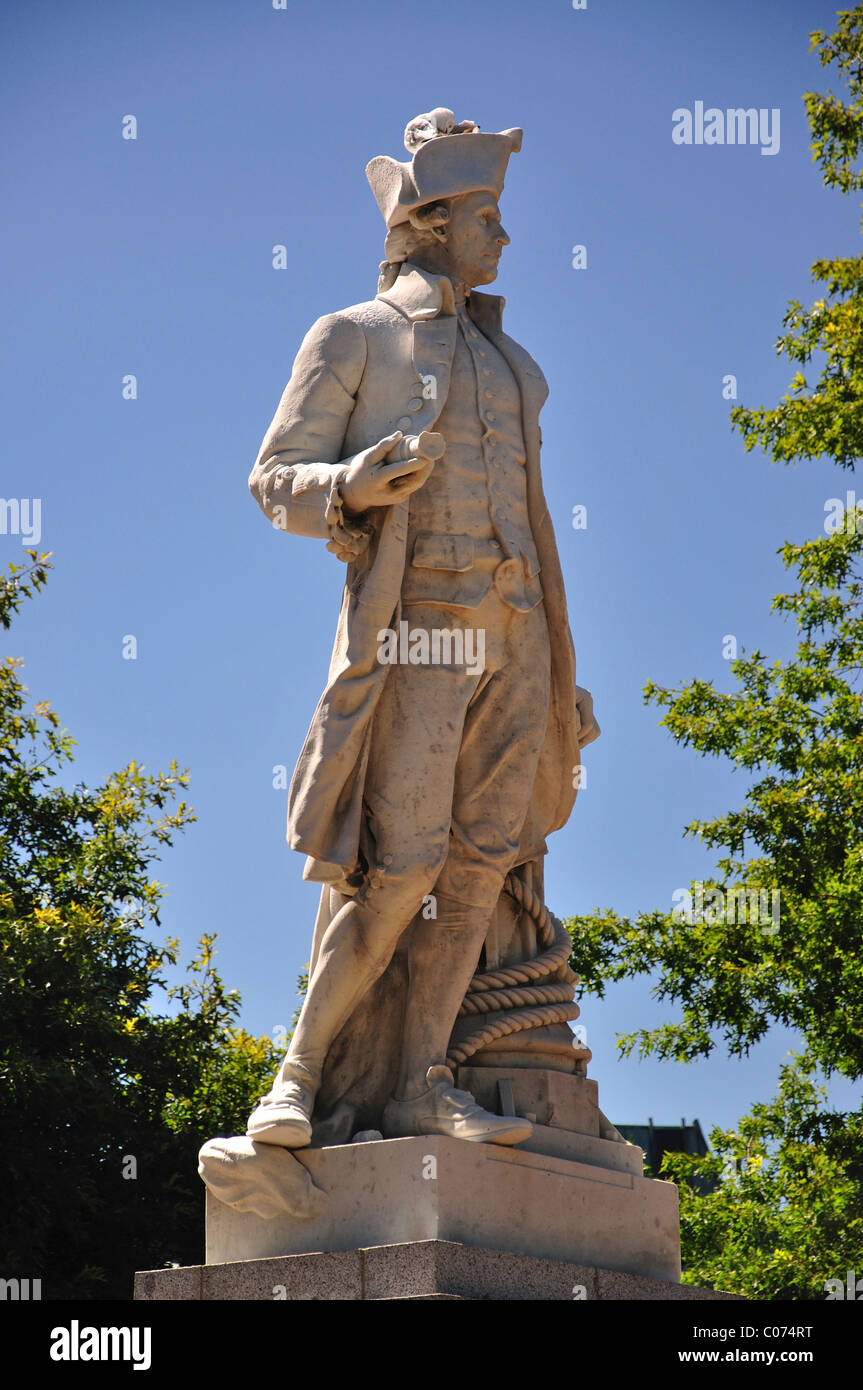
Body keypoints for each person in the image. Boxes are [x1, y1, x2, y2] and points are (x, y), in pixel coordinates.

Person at [245, 108, 599, 1150]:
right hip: (418, 635)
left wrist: (560, 672)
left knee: (481, 862)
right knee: (397, 868)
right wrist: (347, 484)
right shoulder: (351, 335)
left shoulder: (510, 364)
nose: (505, 239)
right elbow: (273, 479)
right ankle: (298, 1079)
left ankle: (420, 1081)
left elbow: (534, 527)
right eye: (488, 216)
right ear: (434, 222)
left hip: (518, 639)